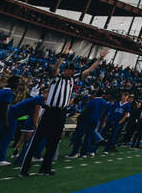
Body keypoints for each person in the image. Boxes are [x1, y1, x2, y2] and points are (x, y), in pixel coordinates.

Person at [21, 47, 109, 177]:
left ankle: (45, 168)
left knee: (54, 141)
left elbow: (89, 70)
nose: (71, 71)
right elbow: (56, 68)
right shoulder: (57, 78)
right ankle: (25, 169)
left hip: (61, 112)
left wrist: (100, 58)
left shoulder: (73, 79)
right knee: (37, 139)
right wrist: (62, 56)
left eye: (72, 70)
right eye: (69, 69)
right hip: (50, 111)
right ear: (65, 69)